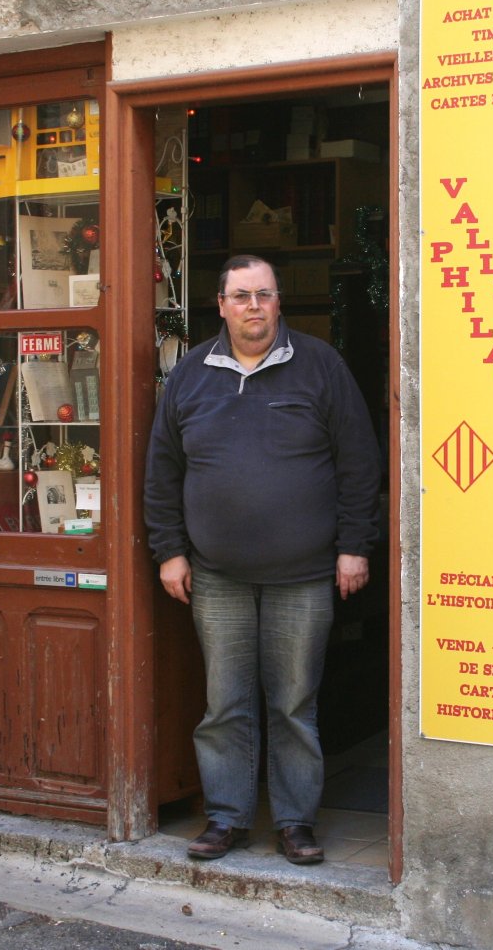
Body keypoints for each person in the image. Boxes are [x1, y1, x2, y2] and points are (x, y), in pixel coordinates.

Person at [144, 254, 381, 866]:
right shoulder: (191, 374)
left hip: (303, 576)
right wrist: (168, 552)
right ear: (220, 305)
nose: (254, 306)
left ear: (279, 303)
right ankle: (225, 819)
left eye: (265, 295)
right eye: (241, 295)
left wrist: (355, 545)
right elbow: (162, 473)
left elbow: (360, 462)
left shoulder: (320, 367)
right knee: (225, 704)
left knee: (294, 705)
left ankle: (296, 822)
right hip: (216, 575)